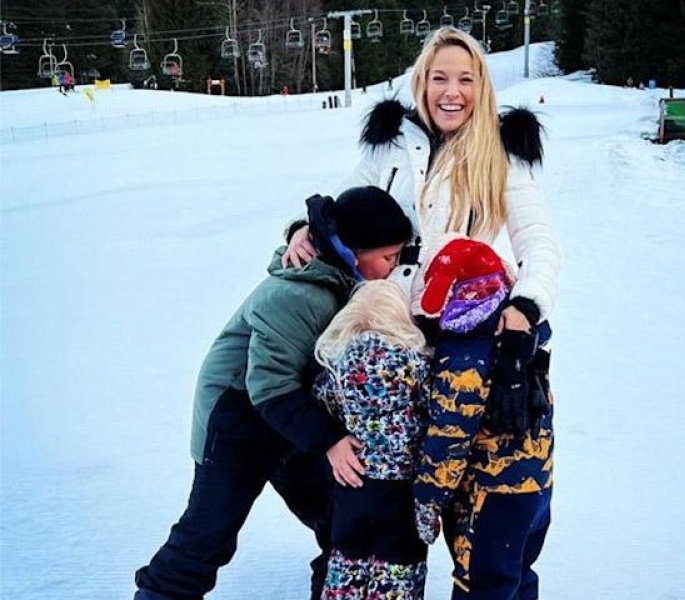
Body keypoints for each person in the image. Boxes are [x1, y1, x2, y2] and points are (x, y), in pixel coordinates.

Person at [284, 27, 560, 599]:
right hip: (388, 349)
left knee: (474, 512)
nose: (451, 92)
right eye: (439, 78)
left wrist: (525, 305)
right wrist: (303, 232)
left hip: (460, 346)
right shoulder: (390, 142)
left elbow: (537, 242)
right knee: (373, 501)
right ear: (421, 82)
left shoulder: (501, 152)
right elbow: (343, 209)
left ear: (481, 86)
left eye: (465, 79)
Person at [132, 186, 413, 600]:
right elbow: (269, 385)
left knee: (339, 523)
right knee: (209, 534)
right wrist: (329, 440)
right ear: (354, 251)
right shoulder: (298, 295)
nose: (394, 267)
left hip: (295, 417)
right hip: (237, 418)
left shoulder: (344, 279)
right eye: (389, 257)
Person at [412, 236, 553, 600]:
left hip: (489, 499)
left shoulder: (466, 353)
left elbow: (449, 436)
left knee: (481, 586)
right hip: (535, 488)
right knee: (518, 574)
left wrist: (428, 499)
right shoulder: (524, 340)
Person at [313, 279, 431, 599]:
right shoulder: (416, 362)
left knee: (348, 560)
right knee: (399, 565)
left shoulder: (338, 360)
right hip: (401, 487)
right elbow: (431, 409)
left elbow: (324, 399)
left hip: (353, 479)